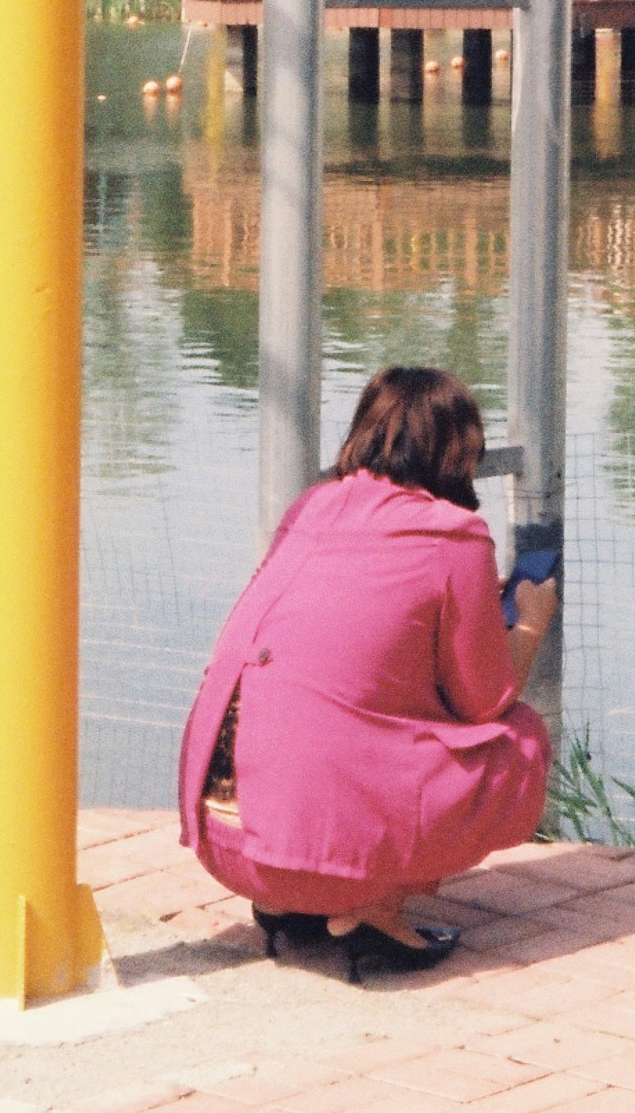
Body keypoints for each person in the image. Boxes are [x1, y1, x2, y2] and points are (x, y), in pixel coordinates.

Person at [177, 366, 556, 981]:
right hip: (305, 858)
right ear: (461, 451)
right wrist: (530, 622)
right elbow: (484, 701)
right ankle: (370, 909)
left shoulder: (312, 505)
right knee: (521, 739)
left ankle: (286, 908)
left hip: (222, 844)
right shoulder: (454, 533)